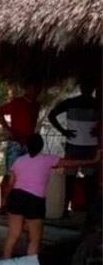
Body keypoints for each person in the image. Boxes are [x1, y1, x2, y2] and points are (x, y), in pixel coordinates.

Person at [2, 134, 101, 259]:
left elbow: (10, 183)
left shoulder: (19, 161)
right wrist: (93, 161)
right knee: (35, 238)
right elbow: (71, 163)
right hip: (34, 199)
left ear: (27, 146)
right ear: (41, 146)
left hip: (16, 196)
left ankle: (5, 262)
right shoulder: (48, 159)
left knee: (13, 234)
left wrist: (5, 200)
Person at [47, 80, 101, 217]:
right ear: (82, 88)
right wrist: (63, 131)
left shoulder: (97, 103)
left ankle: (89, 210)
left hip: (89, 145)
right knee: (70, 178)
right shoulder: (71, 102)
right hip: (77, 145)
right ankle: (65, 208)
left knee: (89, 180)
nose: (87, 89)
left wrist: (99, 131)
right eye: (85, 87)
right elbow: (51, 115)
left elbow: (52, 115)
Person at [0, 85, 41, 210]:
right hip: (16, 142)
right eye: (32, 87)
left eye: (37, 88)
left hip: (28, 144)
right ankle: (4, 203)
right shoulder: (17, 102)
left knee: (25, 175)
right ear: (27, 88)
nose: (35, 91)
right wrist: (8, 129)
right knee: (10, 173)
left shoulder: (36, 105)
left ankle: (18, 203)